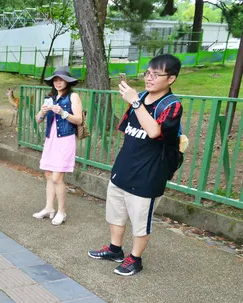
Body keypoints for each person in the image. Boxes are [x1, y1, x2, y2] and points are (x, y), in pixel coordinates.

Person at [88, 54, 183, 276]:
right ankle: (114, 249)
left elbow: (153, 131)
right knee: (115, 213)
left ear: (171, 79)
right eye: (147, 73)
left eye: (156, 74)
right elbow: (130, 132)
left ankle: (135, 259)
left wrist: (136, 103)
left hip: (149, 174)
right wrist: (137, 101)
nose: (149, 78)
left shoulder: (172, 105)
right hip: (124, 167)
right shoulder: (139, 97)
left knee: (141, 221)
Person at [32, 66, 83, 227]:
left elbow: (79, 120)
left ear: (67, 82)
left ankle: (62, 211)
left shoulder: (73, 96)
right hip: (51, 138)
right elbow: (38, 119)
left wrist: (63, 113)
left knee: (57, 177)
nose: (58, 82)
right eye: (55, 80)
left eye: (61, 80)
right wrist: (42, 112)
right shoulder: (50, 97)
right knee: (48, 175)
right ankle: (49, 208)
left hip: (65, 139)